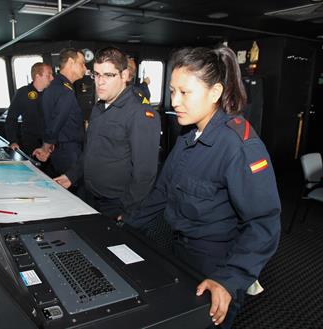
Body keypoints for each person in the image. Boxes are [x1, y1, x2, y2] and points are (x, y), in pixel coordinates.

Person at [125, 46, 281, 328]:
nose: (175, 102)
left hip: (219, 263)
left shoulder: (240, 146)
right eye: (173, 91)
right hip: (180, 249)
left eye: (185, 93)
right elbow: (163, 192)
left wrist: (229, 279)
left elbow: (264, 224)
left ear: (214, 93)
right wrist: (126, 225)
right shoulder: (189, 134)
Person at [54, 47, 161, 220]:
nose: (100, 82)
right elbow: (90, 151)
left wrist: (127, 211)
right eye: (96, 74)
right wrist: (70, 176)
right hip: (90, 196)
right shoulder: (99, 107)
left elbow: (145, 173)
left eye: (108, 75)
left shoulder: (140, 114)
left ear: (124, 75)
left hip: (116, 204)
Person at [34, 48, 86, 177]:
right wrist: (46, 148)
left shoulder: (55, 86)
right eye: (82, 63)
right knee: (77, 194)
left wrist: (47, 147)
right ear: (70, 62)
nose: (84, 68)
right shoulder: (65, 90)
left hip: (59, 149)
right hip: (69, 151)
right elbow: (56, 122)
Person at [5, 62, 54, 156]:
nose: (52, 78)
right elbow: (11, 119)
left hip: (49, 144)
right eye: (49, 75)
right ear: (38, 76)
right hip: (30, 144)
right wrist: (13, 141)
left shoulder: (52, 93)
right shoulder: (22, 93)